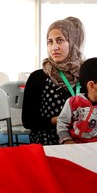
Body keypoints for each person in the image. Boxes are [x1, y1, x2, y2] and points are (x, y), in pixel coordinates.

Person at [22, 16, 85, 145]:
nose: (54, 47)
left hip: (83, 140)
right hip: (49, 142)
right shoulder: (38, 77)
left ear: (73, 43)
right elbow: (28, 121)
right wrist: (59, 120)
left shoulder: (85, 75)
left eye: (60, 40)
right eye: (50, 41)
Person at [57, 57, 97, 144]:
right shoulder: (73, 102)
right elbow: (62, 123)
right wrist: (67, 140)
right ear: (92, 86)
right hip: (75, 147)